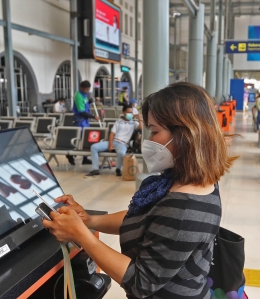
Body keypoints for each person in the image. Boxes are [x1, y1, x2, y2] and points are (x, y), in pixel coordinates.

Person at [43, 82, 235, 299]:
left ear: (186, 134)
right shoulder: (184, 179)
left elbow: (141, 282)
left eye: (154, 131)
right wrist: (89, 221)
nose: (149, 141)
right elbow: (146, 219)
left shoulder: (185, 208)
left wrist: (82, 236)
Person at [85, 104, 142, 178]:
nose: (131, 114)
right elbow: (112, 133)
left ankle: (118, 169)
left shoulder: (134, 123)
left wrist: (139, 118)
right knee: (94, 147)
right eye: (129, 112)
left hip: (123, 144)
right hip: (113, 141)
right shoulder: (118, 122)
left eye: (132, 112)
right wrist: (110, 144)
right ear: (124, 112)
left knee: (121, 153)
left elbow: (141, 128)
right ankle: (95, 169)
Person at [68, 80, 100, 165]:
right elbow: (81, 111)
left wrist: (89, 102)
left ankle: (85, 158)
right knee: (79, 137)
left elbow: (85, 105)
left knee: (86, 138)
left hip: (85, 119)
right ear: (81, 88)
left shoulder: (84, 95)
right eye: (86, 89)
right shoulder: (78, 96)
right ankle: (70, 155)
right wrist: (93, 116)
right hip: (80, 119)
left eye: (88, 89)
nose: (87, 90)